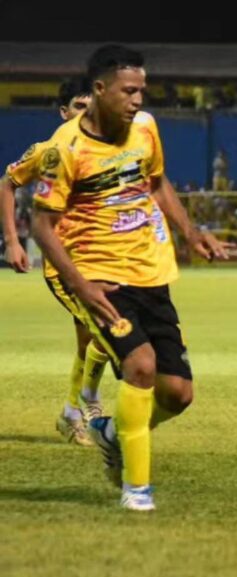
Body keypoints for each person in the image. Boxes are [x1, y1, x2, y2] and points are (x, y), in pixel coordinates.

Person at [31, 45, 231, 511]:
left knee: (178, 394)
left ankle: (110, 433)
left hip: (151, 272)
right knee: (139, 366)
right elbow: (42, 225)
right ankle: (136, 490)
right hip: (99, 279)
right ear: (99, 90)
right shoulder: (65, 149)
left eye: (142, 89)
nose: (139, 99)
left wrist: (191, 232)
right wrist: (80, 286)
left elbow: (157, 183)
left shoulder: (146, 129)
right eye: (129, 90)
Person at [1, 78, 114, 445]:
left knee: (87, 341)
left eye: (90, 107)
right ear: (63, 112)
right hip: (61, 266)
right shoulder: (49, 150)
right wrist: (13, 242)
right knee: (106, 330)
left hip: (96, 261)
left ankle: (70, 414)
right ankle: (90, 406)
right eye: (79, 107)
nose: (87, 113)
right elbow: (7, 183)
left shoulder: (100, 150)